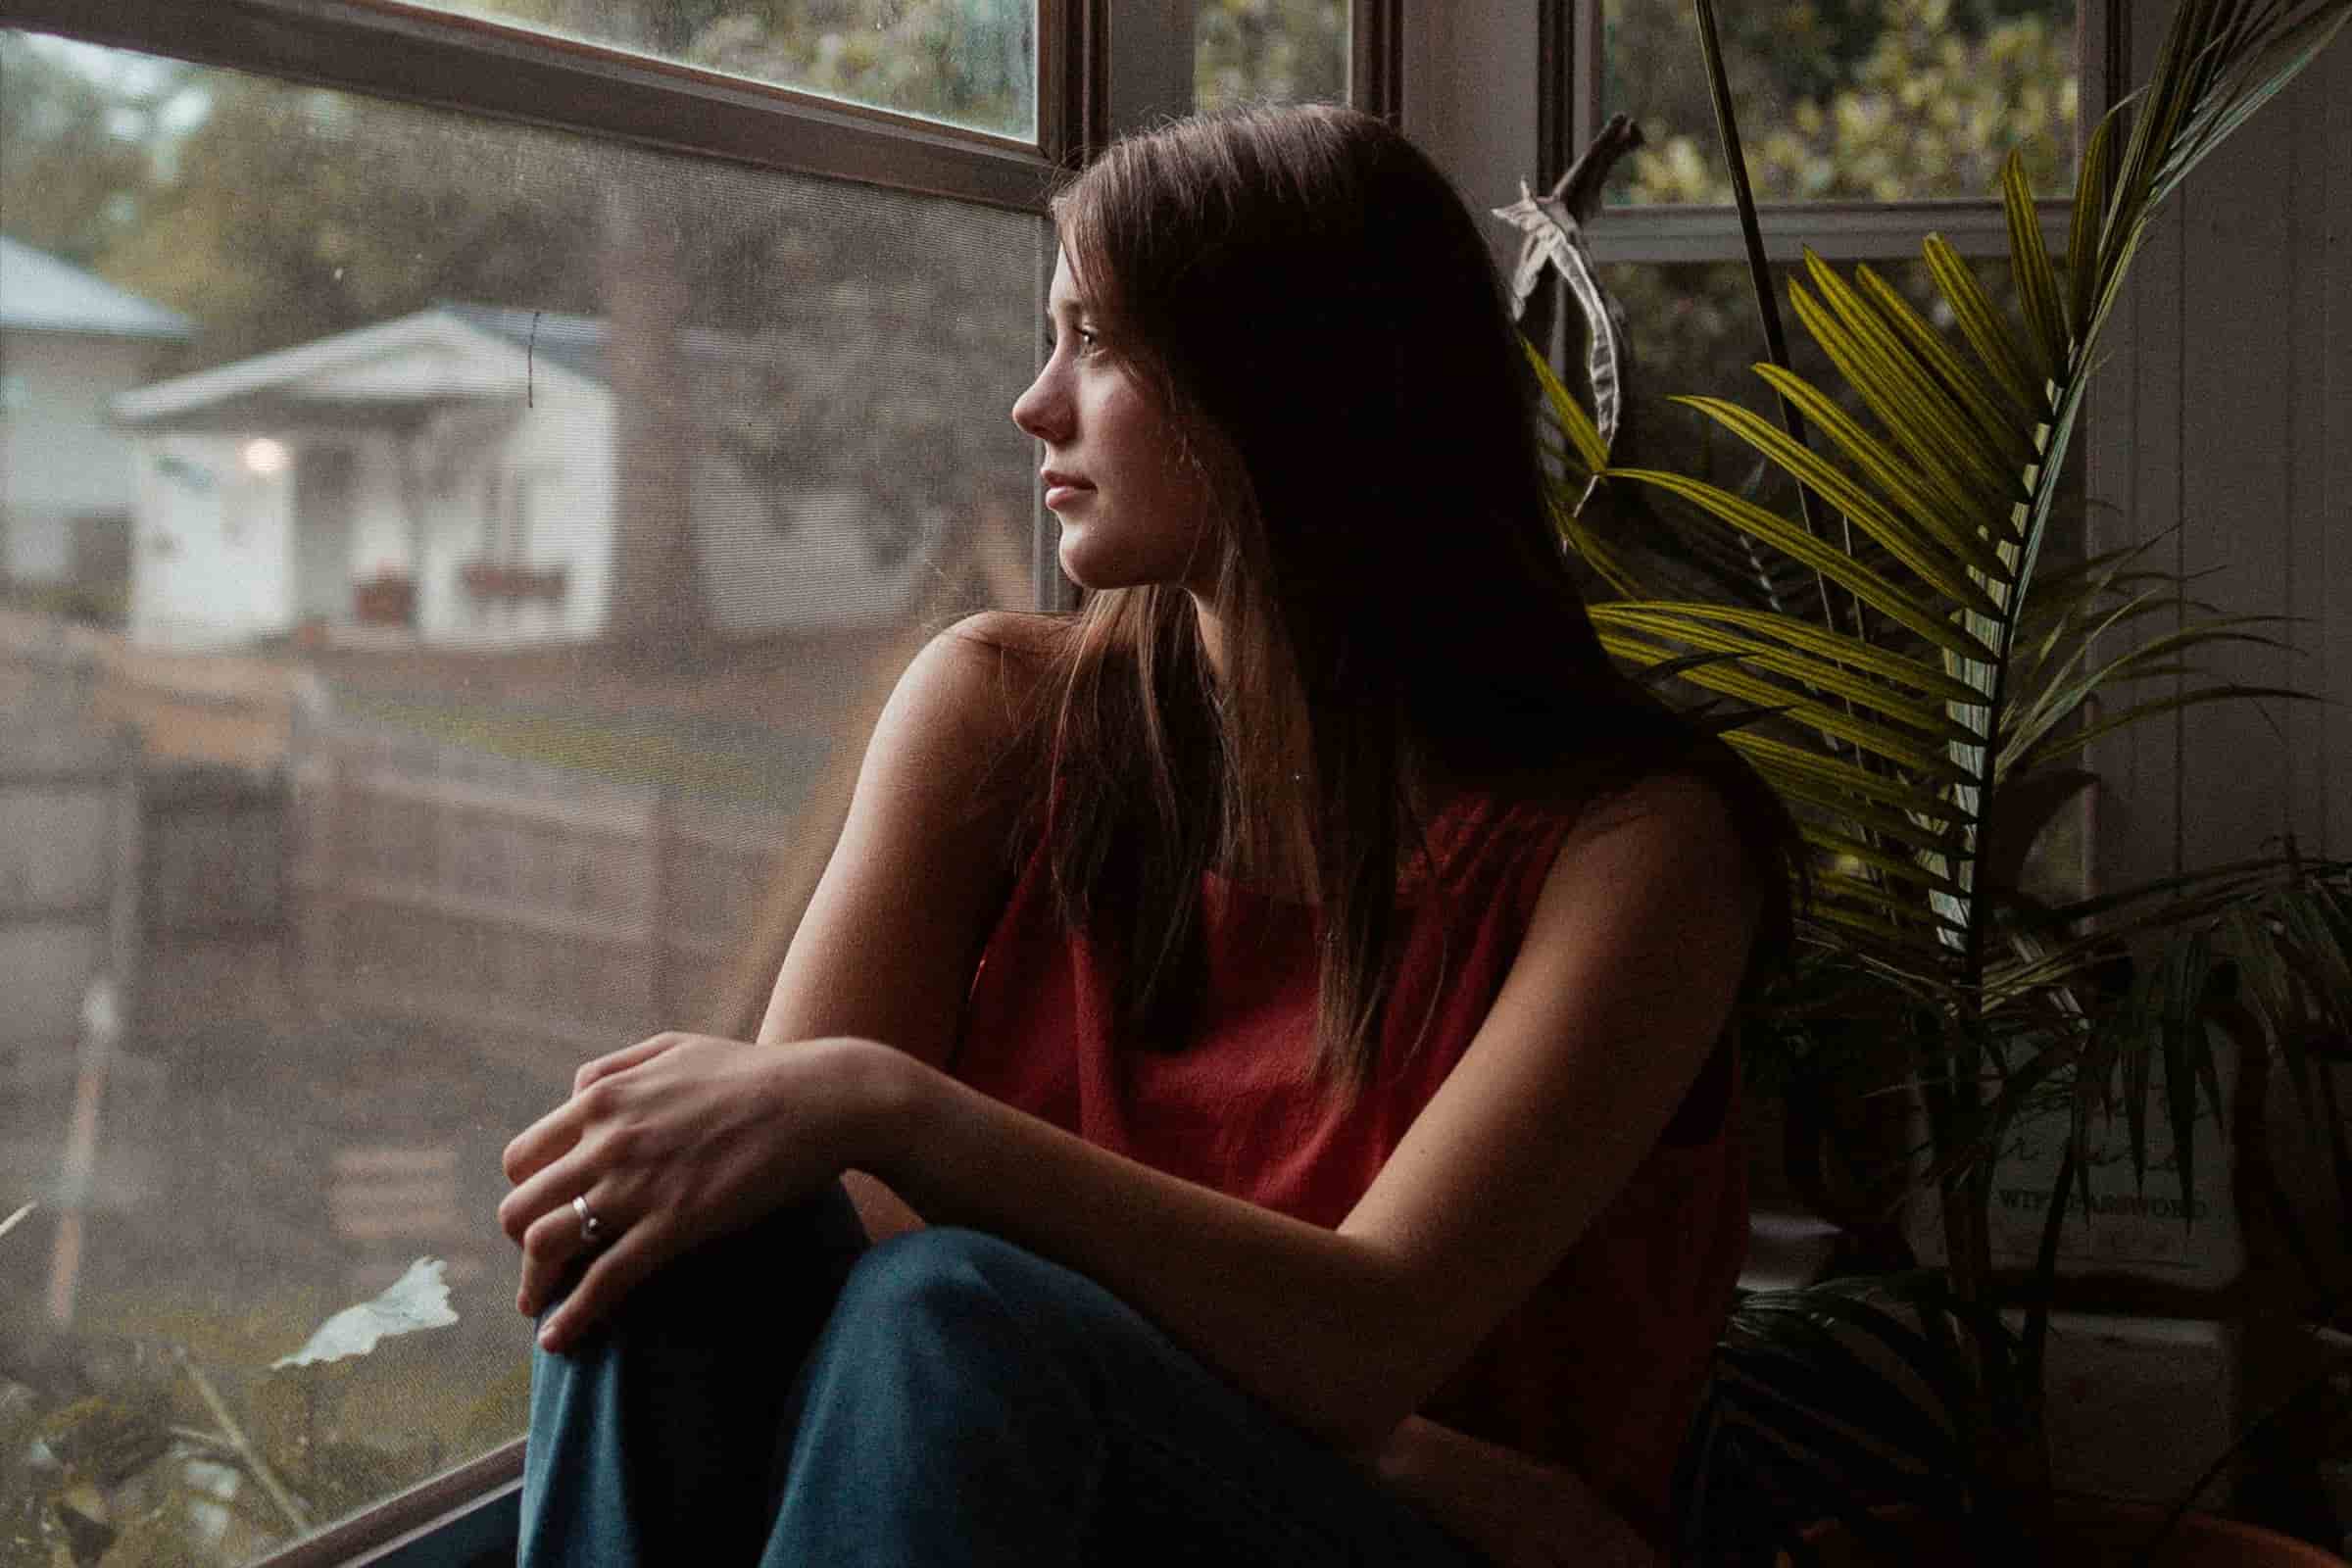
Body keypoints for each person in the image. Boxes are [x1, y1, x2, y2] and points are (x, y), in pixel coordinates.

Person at [499, 103, 1794, 1567]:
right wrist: (1387, 1442)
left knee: (951, 1317)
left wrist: (896, 1104)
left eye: (1097, 343)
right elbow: (795, 1199)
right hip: (1212, 1478)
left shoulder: (1637, 850)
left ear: (1292, 384)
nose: (1034, 403)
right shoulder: (999, 715)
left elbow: (1369, 1331)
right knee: (684, 1224)